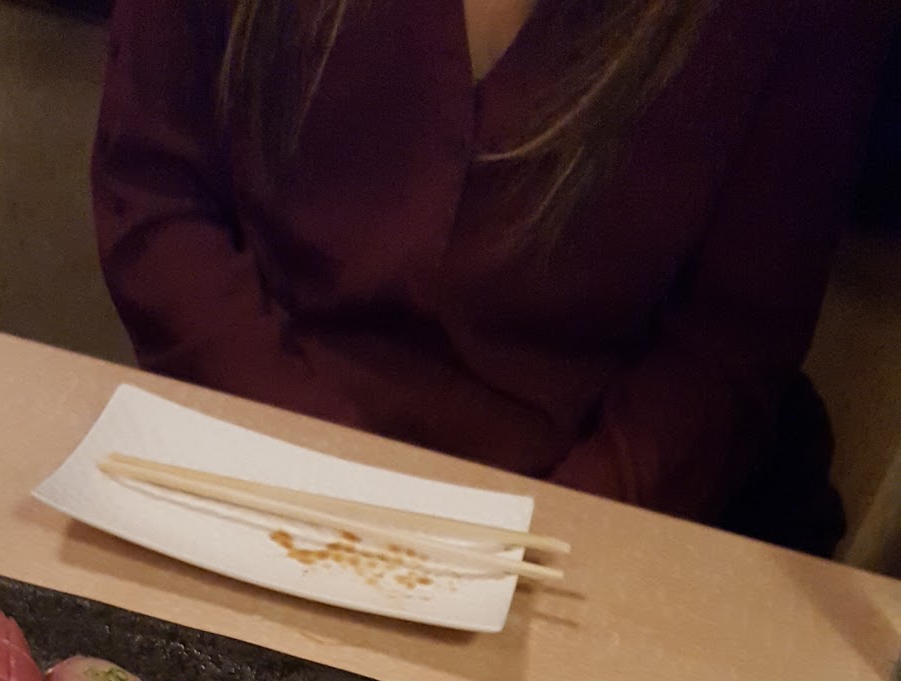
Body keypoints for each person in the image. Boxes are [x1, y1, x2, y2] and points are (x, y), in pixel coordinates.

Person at [92, 1, 891, 551]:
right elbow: (156, 195)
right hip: (247, 471)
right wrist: (322, 471)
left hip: (585, 541)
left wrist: (538, 539)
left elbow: (731, 346)